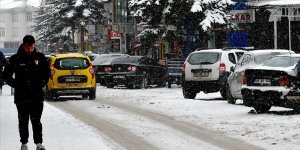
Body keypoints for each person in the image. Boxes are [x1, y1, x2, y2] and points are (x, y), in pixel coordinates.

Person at [3, 35, 50, 150]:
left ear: (34, 45)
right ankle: (24, 143)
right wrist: (16, 85)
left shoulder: (40, 57)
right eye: (27, 47)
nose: (29, 49)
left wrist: (41, 83)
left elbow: (47, 73)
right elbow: (5, 75)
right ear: (23, 45)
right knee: (23, 120)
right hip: (21, 96)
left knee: (36, 120)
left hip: (36, 95)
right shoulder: (15, 59)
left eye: (31, 47)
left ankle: (39, 143)